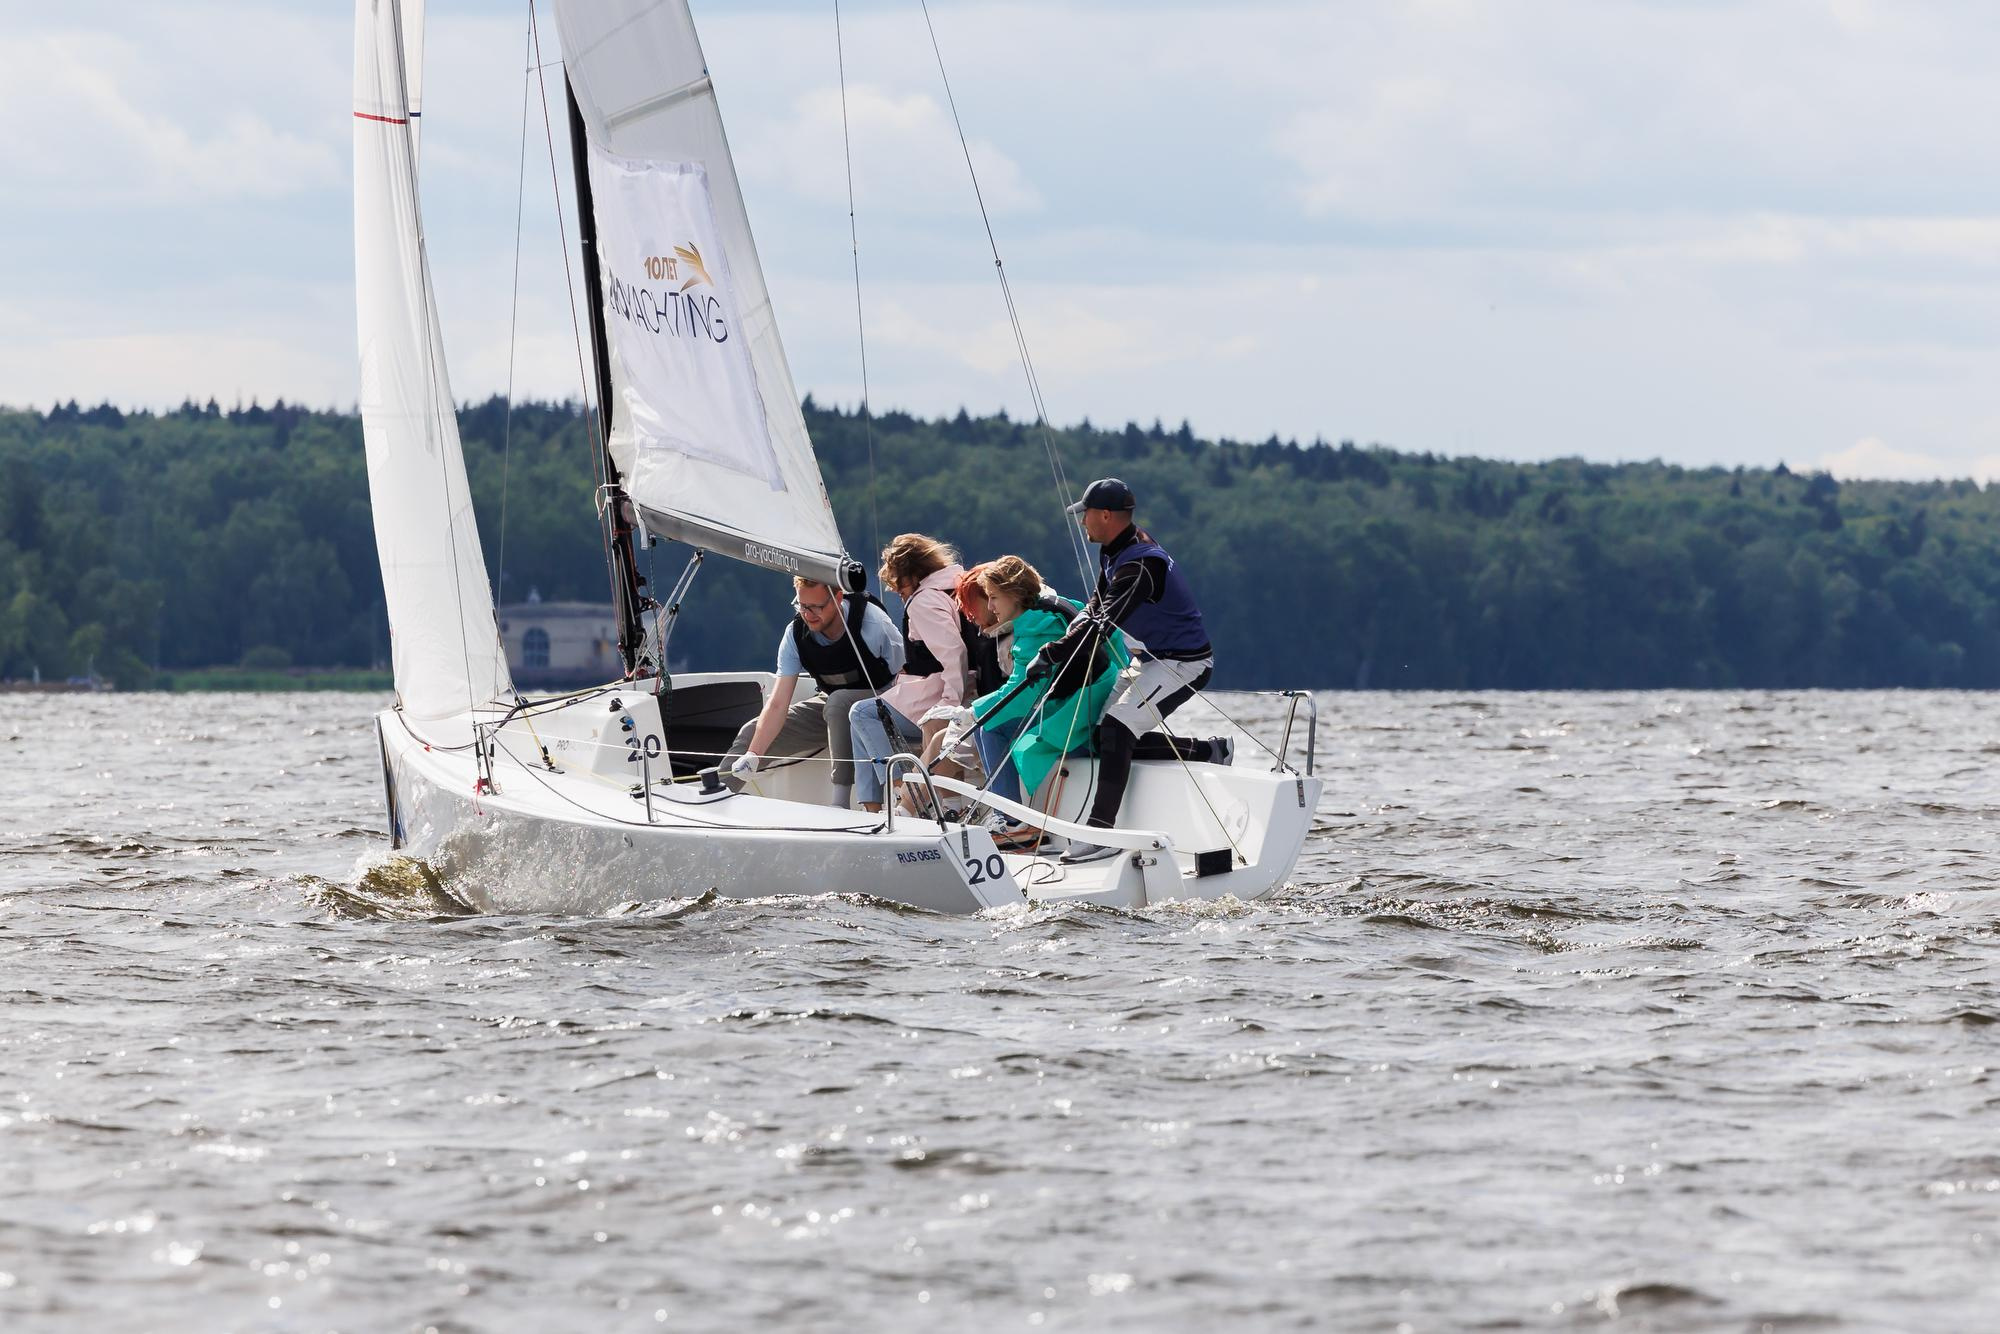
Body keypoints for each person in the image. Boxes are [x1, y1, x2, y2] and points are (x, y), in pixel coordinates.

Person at [1039, 478, 1229, 864]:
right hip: (1150, 659)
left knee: (1117, 730)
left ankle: (1102, 833)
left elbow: (1103, 624)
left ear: (1106, 515)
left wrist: (1054, 653)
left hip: (1184, 663)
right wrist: (1057, 647)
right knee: (1099, 737)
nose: (1082, 522)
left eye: (1086, 515)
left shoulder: (1140, 564)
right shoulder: (1114, 550)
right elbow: (1094, 608)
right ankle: (1210, 750)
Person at [969, 555, 1126, 851]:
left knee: (987, 726)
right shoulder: (1062, 606)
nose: (990, 607)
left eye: (993, 597)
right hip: (1095, 705)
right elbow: (1114, 639)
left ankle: (1013, 823)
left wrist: (972, 713)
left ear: (1014, 595)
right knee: (990, 719)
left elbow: (1022, 695)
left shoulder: (1033, 633)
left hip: (1075, 720)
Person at [724, 575, 903, 809]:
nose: (808, 614)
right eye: (802, 605)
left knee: (839, 703)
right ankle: (716, 798)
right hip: (831, 706)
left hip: (883, 704)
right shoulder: (796, 634)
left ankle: (839, 805)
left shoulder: (874, 624)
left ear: (838, 598)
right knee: (751, 734)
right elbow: (778, 703)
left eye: (816, 607)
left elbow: (904, 681)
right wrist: (753, 755)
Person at [849, 534, 970, 813]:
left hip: (943, 692)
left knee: (862, 714)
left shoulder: (924, 601)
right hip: (954, 686)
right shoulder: (953, 584)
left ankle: (901, 796)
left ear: (913, 575)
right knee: (863, 715)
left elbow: (954, 653)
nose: (895, 590)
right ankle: (875, 809)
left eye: (897, 583)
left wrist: (949, 705)